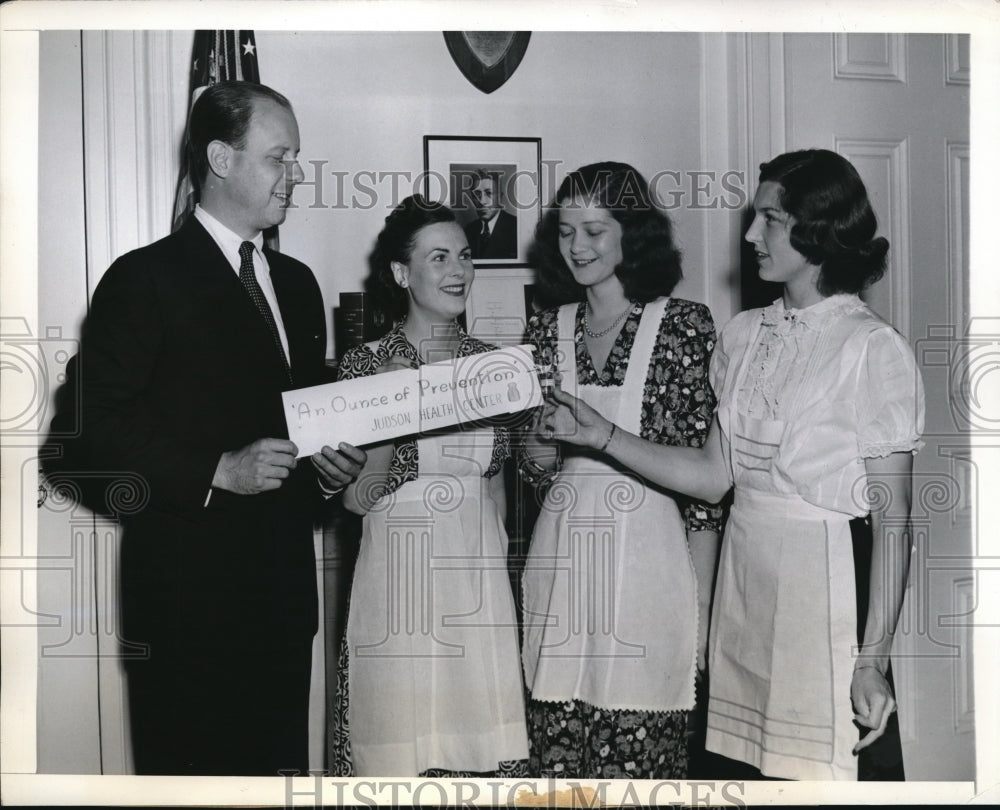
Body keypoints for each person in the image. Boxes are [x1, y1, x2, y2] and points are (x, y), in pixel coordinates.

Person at [540, 149, 924, 781]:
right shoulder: (744, 336)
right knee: (740, 776)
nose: (750, 236)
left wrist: (872, 658)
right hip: (744, 588)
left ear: (817, 230)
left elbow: (895, 521)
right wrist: (604, 435)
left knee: (822, 776)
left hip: (823, 589)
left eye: (769, 220)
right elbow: (713, 476)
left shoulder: (871, 348)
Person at [44, 81, 367, 775]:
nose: (297, 175)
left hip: (282, 608)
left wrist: (327, 465)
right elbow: (80, 441)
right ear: (221, 158)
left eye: (297, 158)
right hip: (188, 615)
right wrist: (217, 469)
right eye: (280, 157)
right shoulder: (143, 279)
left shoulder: (299, 282)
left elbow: (295, 422)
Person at [518, 162, 723, 779]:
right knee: (556, 774)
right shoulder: (544, 331)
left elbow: (706, 495)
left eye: (595, 231)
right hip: (562, 583)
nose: (577, 247)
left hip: (651, 589)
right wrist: (532, 444)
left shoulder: (684, 327)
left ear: (631, 235)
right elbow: (539, 477)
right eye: (565, 231)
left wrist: (702, 617)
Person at [328, 195, 529, 777]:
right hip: (400, 589)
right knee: (400, 746)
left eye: (464, 257)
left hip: (478, 584)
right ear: (401, 273)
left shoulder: (495, 365)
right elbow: (355, 498)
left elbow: (495, 488)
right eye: (438, 258)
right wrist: (392, 407)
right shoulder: (365, 366)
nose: (458, 271)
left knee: (484, 752)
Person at [464, 169, 518, 260]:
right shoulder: (468, 230)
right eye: (477, 195)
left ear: (500, 197)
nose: (482, 202)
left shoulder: (516, 227)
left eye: (489, 193)